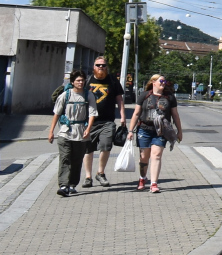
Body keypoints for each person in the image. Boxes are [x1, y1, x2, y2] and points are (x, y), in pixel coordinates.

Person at [128, 74, 182, 193]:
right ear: (153, 82)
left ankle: (154, 183)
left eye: (164, 81)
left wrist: (179, 131)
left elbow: (175, 115)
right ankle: (142, 179)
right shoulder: (144, 95)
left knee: (156, 155)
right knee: (143, 157)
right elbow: (136, 114)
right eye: (161, 81)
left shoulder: (170, 97)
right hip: (144, 129)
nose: (163, 83)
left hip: (161, 131)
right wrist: (130, 130)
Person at [47, 70, 96, 197]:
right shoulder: (65, 95)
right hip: (65, 132)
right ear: (73, 82)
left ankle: (72, 184)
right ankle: (63, 185)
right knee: (65, 158)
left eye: (82, 80)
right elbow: (56, 114)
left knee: (77, 159)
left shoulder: (88, 95)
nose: (80, 82)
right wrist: (51, 131)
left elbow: (92, 114)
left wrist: (88, 129)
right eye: (78, 80)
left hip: (81, 132)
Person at [82, 57, 124, 188]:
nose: (101, 67)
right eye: (98, 65)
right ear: (93, 66)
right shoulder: (87, 80)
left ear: (107, 67)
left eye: (103, 65)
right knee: (88, 149)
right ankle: (88, 177)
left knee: (106, 146)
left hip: (107, 121)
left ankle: (100, 172)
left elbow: (119, 100)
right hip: (89, 122)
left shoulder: (113, 81)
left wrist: (122, 116)